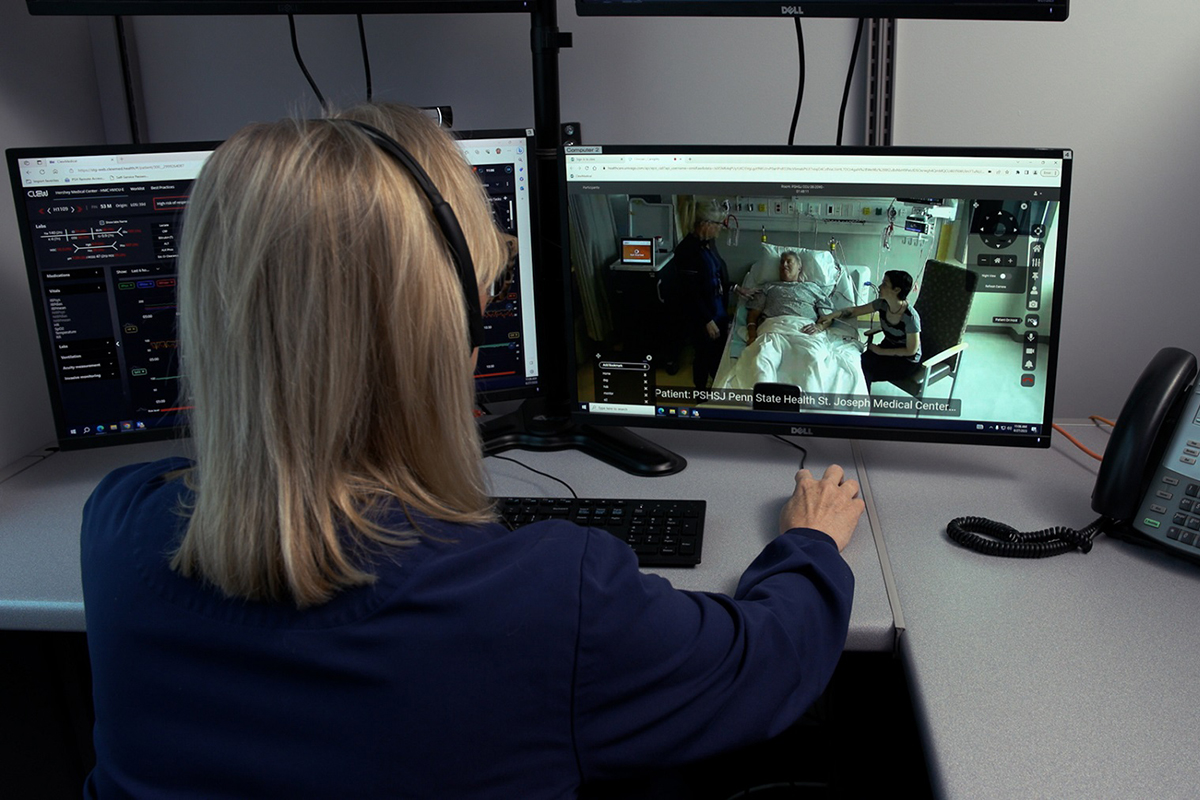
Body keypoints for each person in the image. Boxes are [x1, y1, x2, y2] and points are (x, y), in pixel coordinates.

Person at [80, 103, 864, 799]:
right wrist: (810, 544)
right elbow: (765, 664)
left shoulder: (116, 527)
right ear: (442, 329)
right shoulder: (553, 597)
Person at [810, 270, 922, 389]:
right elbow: (854, 311)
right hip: (889, 347)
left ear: (897, 290)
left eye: (884, 284)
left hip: (906, 361)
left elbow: (911, 350)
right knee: (855, 363)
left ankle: (861, 404)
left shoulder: (910, 318)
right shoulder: (882, 304)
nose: (879, 287)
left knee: (865, 371)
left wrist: (880, 351)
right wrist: (830, 316)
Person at [670, 201, 731, 389]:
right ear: (706, 224)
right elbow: (690, 292)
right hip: (702, 316)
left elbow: (718, 273)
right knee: (703, 355)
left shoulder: (708, 244)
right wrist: (707, 320)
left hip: (717, 309)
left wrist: (735, 287)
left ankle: (716, 386)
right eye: (719, 224)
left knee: (718, 353)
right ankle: (701, 393)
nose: (721, 229)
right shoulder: (686, 251)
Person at [743, 250, 832, 345]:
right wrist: (752, 336)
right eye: (782, 262)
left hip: (805, 331)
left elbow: (827, 316)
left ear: (799, 267)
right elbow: (753, 315)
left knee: (812, 357)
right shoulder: (768, 287)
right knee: (761, 358)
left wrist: (819, 327)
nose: (784, 265)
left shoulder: (812, 288)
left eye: (789, 261)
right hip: (773, 329)